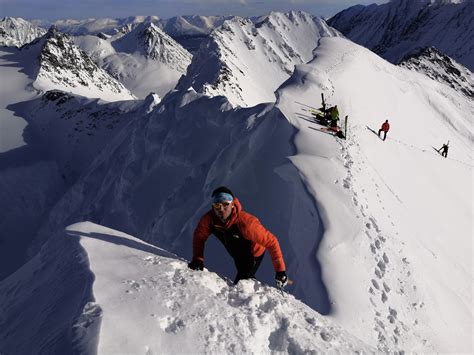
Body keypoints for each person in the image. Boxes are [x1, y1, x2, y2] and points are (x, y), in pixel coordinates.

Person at [188, 186, 288, 287]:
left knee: (241, 284)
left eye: (225, 204)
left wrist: (280, 271)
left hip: (251, 254)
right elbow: (199, 236)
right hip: (235, 249)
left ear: (232, 204)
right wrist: (198, 258)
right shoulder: (210, 220)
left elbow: (272, 241)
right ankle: (250, 281)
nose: (221, 209)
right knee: (243, 274)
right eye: (217, 205)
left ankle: (253, 289)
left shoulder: (247, 224)